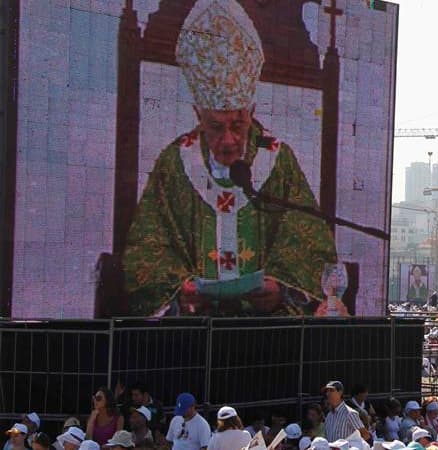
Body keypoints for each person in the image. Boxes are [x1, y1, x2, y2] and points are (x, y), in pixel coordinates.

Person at [122, 0, 338, 316]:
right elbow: (146, 249)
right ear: (198, 114)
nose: (228, 140)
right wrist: (179, 292)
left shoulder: (278, 162)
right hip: (191, 337)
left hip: (265, 334)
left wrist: (281, 288)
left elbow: (309, 244)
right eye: (215, 127)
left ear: (251, 112)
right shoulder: (175, 163)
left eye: (237, 125)